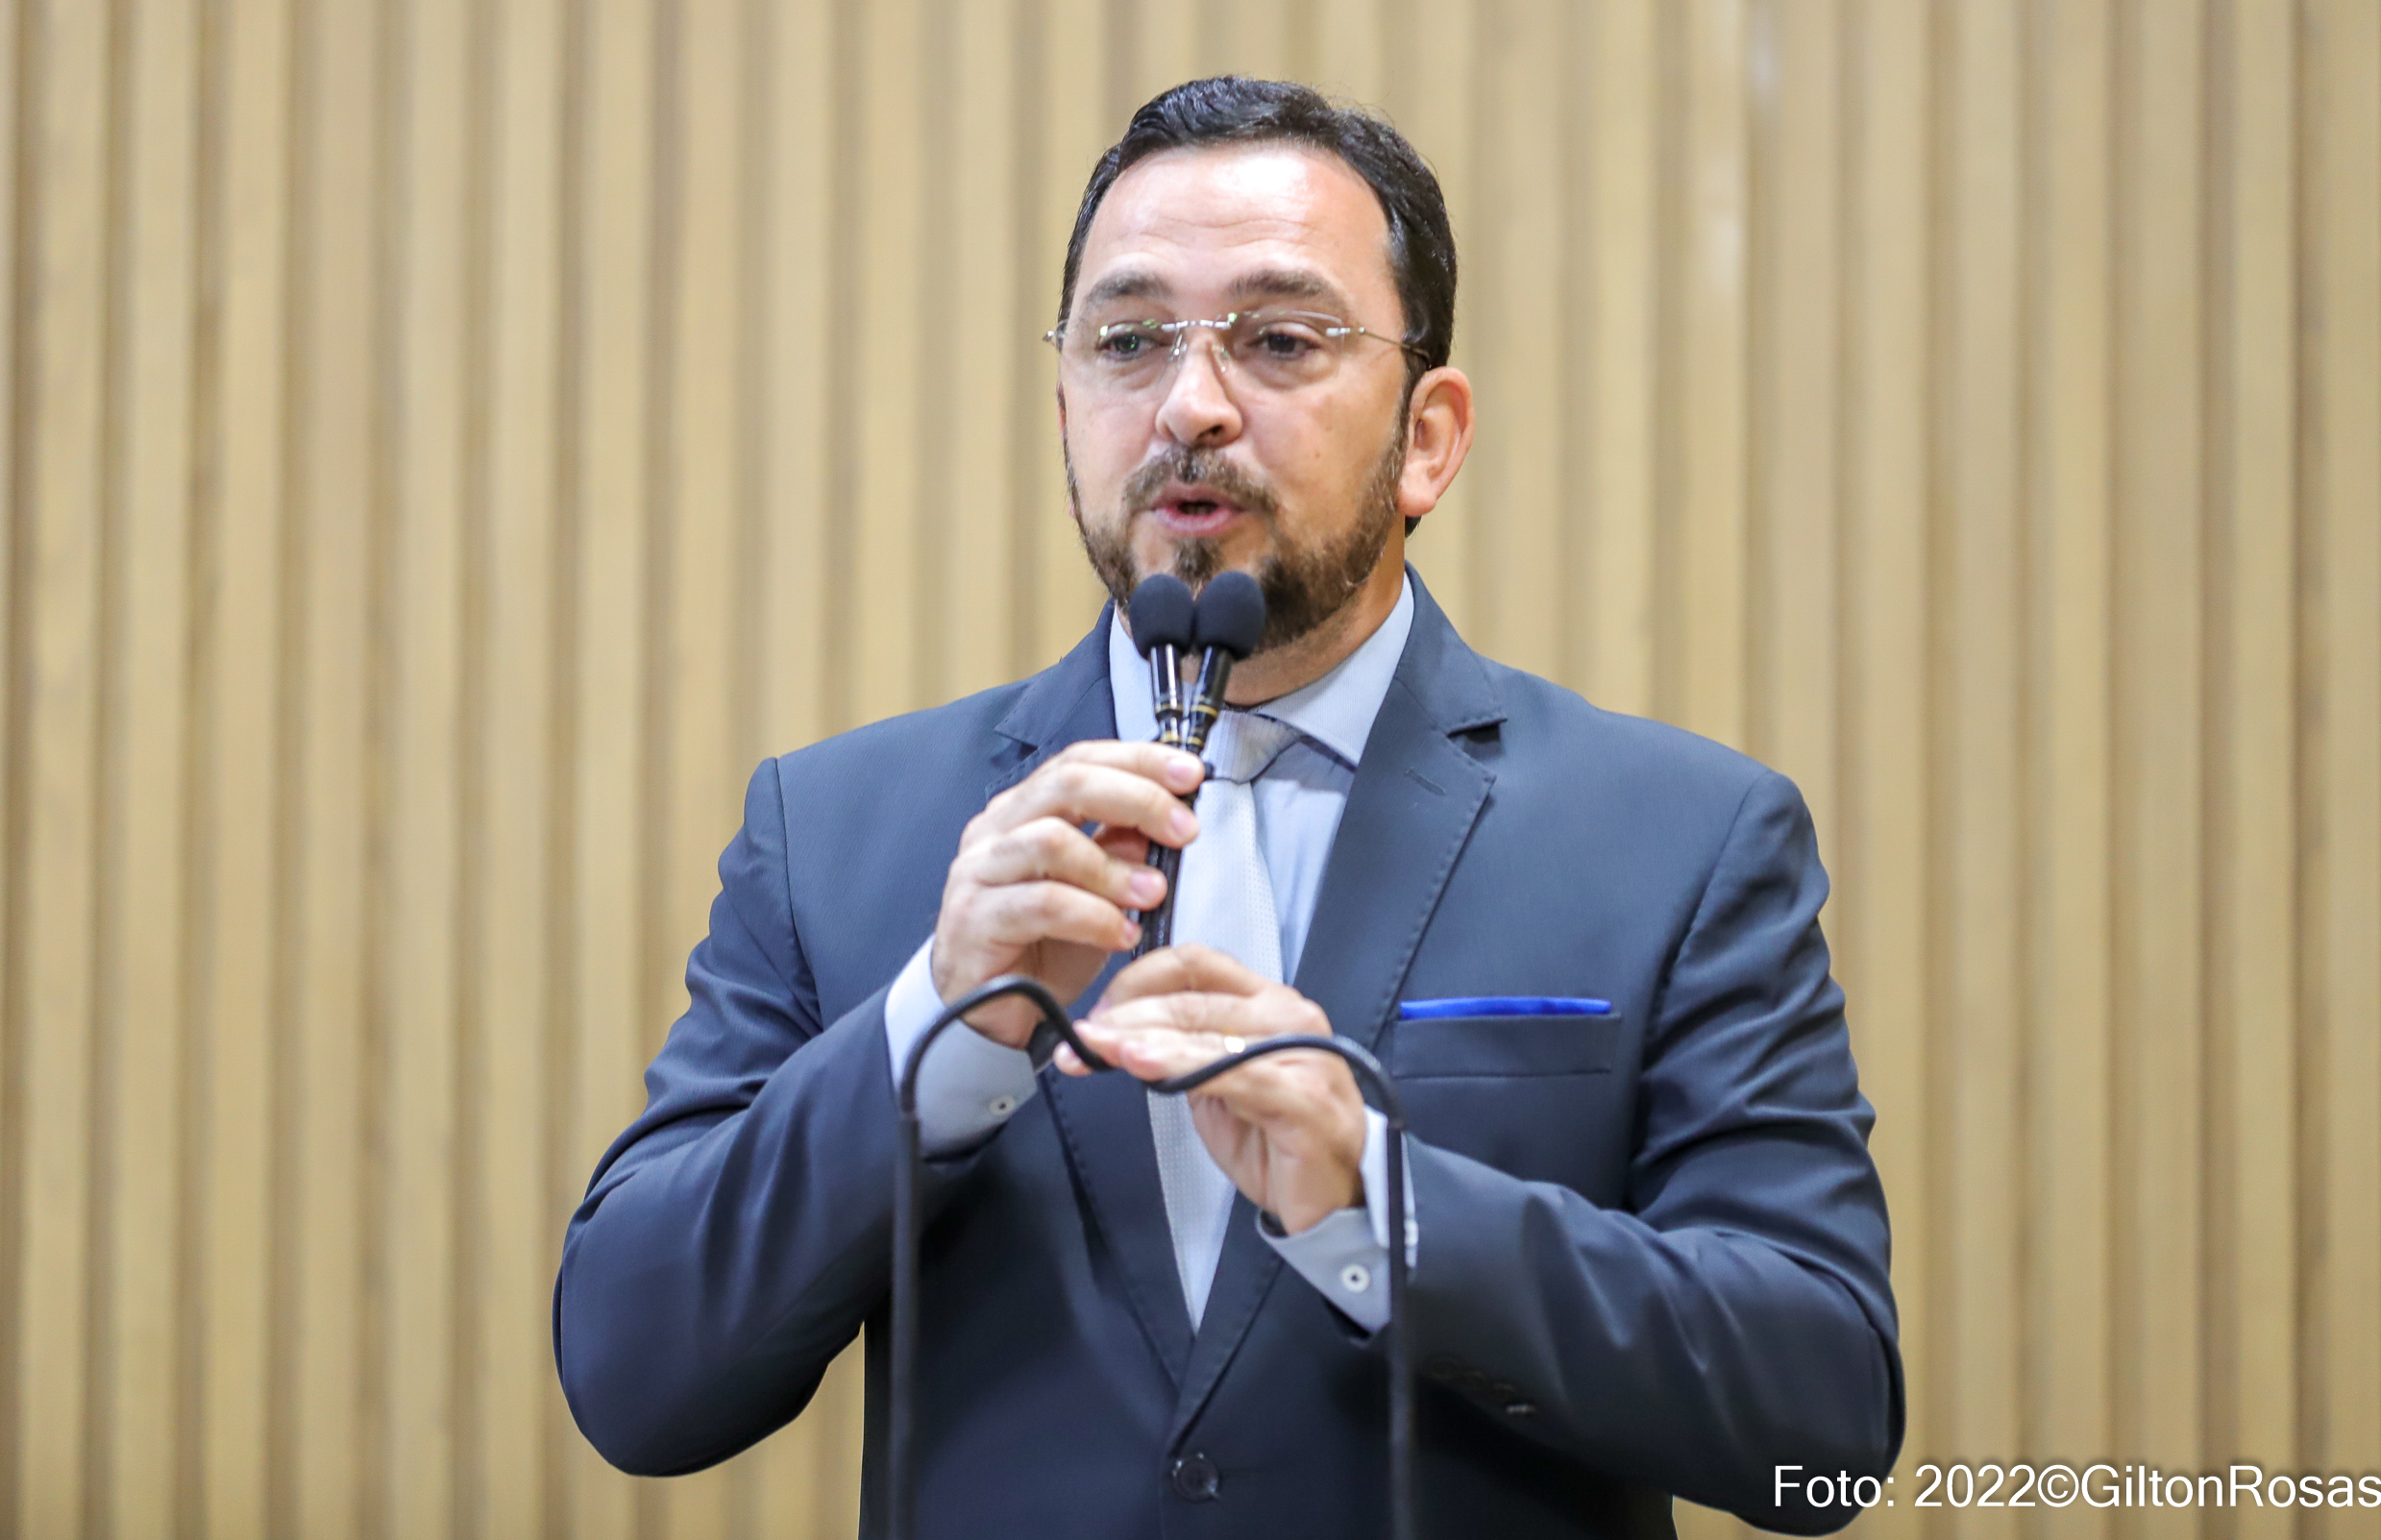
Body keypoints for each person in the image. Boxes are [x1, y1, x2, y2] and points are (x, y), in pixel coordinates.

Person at [554, 77, 1902, 1538]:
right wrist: (930, 1026)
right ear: (1068, 409)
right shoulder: (834, 832)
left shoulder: (1681, 841)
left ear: (1430, 436)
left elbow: (1822, 1424)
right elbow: (636, 1376)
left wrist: (1381, 1201)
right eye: (1129, 342)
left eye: (1280, 340)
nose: (1190, 406)